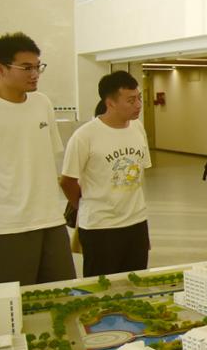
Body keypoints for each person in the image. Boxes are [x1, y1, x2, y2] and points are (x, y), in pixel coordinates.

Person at [0, 32, 74, 285]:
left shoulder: (42, 103)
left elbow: (46, 157)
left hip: (50, 219)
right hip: (6, 225)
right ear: (0, 69)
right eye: (26, 68)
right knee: (15, 301)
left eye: (37, 67)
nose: (35, 74)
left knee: (63, 292)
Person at [60, 71, 152, 276]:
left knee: (135, 282)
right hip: (100, 227)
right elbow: (67, 181)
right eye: (131, 100)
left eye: (139, 98)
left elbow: (140, 172)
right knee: (102, 285)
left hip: (136, 222)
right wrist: (86, 205)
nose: (138, 104)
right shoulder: (85, 136)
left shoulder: (137, 128)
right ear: (110, 103)